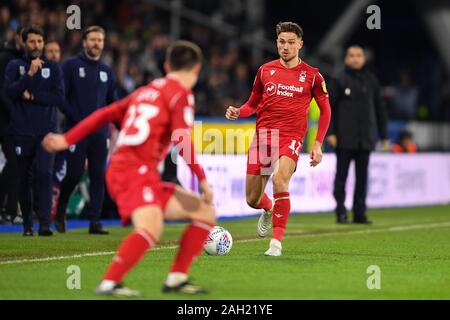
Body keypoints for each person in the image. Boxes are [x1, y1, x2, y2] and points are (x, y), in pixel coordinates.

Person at [42, 40, 216, 296]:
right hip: (133, 171)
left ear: (167, 65)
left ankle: (176, 279)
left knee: (205, 213)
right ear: (197, 68)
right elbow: (182, 138)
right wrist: (202, 179)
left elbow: (105, 114)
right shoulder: (181, 94)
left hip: (134, 171)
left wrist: (66, 139)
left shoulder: (146, 90)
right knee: (151, 227)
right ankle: (110, 283)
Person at [225, 22, 331, 256]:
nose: (285, 47)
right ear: (277, 43)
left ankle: (276, 243)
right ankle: (268, 208)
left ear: (300, 44)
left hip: (291, 137)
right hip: (264, 137)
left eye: (291, 42)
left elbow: (326, 110)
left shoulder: (312, 76)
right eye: (282, 42)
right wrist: (238, 111)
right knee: (252, 199)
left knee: (280, 180)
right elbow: (252, 104)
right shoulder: (264, 70)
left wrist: (317, 143)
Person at [55, 26, 117, 234]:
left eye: (100, 40)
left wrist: (120, 124)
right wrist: (76, 120)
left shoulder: (107, 71)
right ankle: (60, 211)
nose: (96, 43)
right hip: (77, 131)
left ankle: (95, 221)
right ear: (84, 42)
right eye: (92, 39)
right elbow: (61, 97)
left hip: (100, 134)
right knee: (73, 174)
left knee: (98, 176)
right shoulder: (70, 66)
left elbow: (112, 103)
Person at [4, 25, 65, 236]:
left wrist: (33, 97)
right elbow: (10, 92)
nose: (36, 45)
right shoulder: (14, 66)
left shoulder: (54, 68)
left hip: (46, 132)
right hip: (21, 132)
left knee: (44, 174)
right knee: (23, 179)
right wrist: (29, 74)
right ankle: (28, 224)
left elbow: (58, 97)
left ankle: (45, 223)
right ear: (24, 43)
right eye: (32, 41)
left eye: (39, 41)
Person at [326, 45, 388, 224]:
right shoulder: (339, 79)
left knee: (362, 178)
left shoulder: (371, 81)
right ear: (346, 59)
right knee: (341, 177)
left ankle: (360, 213)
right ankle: (341, 211)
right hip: (344, 138)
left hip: (365, 138)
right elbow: (328, 108)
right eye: (351, 55)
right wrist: (330, 132)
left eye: (358, 55)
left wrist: (383, 135)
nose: (355, 58)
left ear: (364, 59)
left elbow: (380, 109)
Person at [0, 25, 23, 224]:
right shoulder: (6, 59)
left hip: (15, 122)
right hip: (6, 121)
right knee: (13, 164)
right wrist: (17, 114)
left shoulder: (24, 61)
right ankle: (7, 210)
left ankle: (10, 210)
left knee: (15, 164)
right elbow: (3, 92)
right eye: (26, 38)